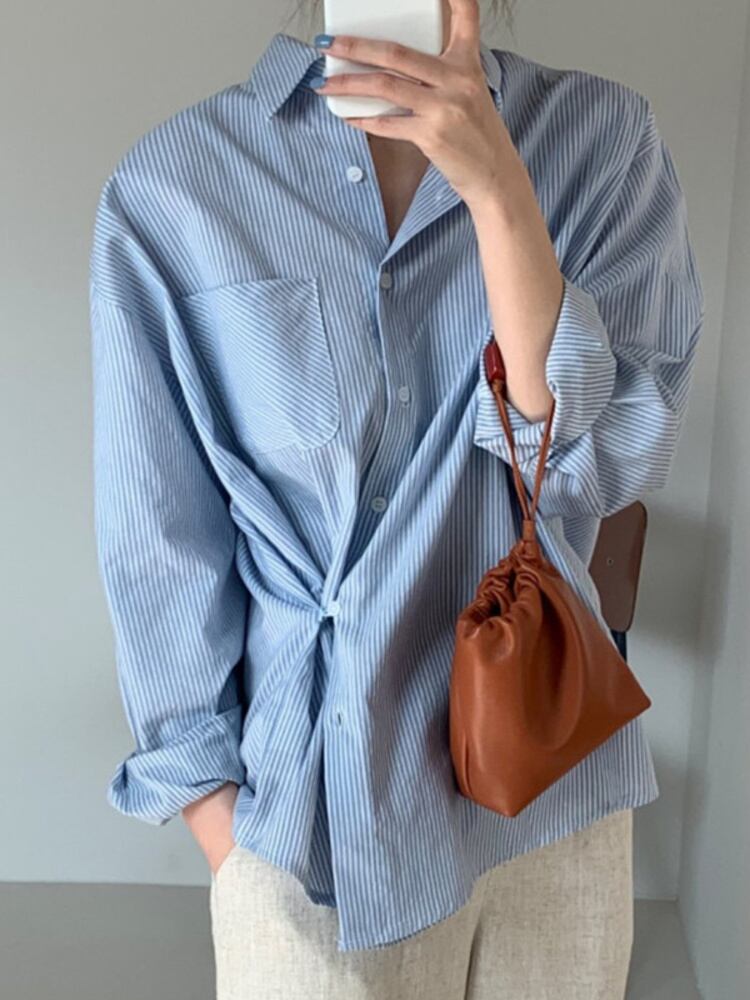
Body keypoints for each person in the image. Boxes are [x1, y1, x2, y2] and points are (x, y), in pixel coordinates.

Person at [88, 0, 705, 997]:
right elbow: (159, 533)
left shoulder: (602, 141)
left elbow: (609, 464)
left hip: (549, 785)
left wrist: (500, 192)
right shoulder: (179, 184)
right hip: (310, 816)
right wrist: (215, 817)